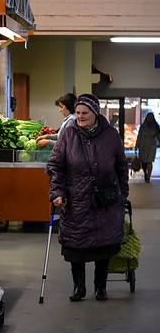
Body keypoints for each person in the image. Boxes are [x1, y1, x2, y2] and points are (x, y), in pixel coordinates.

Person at [45, 94, 129, 302]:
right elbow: (56, 166)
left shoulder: (111, 135)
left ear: (95, 113)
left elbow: (121, 166)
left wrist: (122, 194)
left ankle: (101, 287)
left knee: (104, 244)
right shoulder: (69, 134)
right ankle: (78, 287)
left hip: (105, 200)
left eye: (85, 113)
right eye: (78, 113)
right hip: (76, 199)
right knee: (76, 246)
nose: (80, 117)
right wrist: (56, 192)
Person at [134, 112, 160, 183]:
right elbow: (158, 137)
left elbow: (139, 136)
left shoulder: (143, 126)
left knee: (145, 161)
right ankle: (148, 176)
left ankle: (147, 175)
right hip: (151, 145)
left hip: (143, 145)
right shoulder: (156, 126)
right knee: (148, 162)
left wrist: (137, 145)